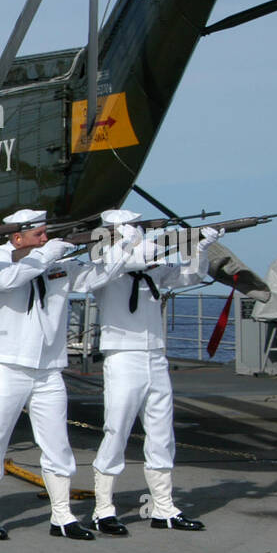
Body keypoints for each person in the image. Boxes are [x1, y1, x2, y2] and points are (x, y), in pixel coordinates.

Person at [0, 209, 114, 541]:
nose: (45, 239)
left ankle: (62, 515)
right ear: (17, 238)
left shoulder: (53, 260)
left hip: (49, 368)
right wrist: (45, 256)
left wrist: (114, 248)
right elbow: (6, 281)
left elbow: (95, 279)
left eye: (46, 234)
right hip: (8, 365)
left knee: (57, 443)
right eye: (38, 235)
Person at [87, 210, 221, 533]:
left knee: (162, 435)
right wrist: (175, 240)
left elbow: (189, 277)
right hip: (122, 357)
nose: (139, 234)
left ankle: (164, 507)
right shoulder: (104, 262)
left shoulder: (151, 268)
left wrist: (199, 250)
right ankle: (103, 508)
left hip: (154, 356)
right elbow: (128, 260)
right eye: (134, 229)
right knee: (116, 431)